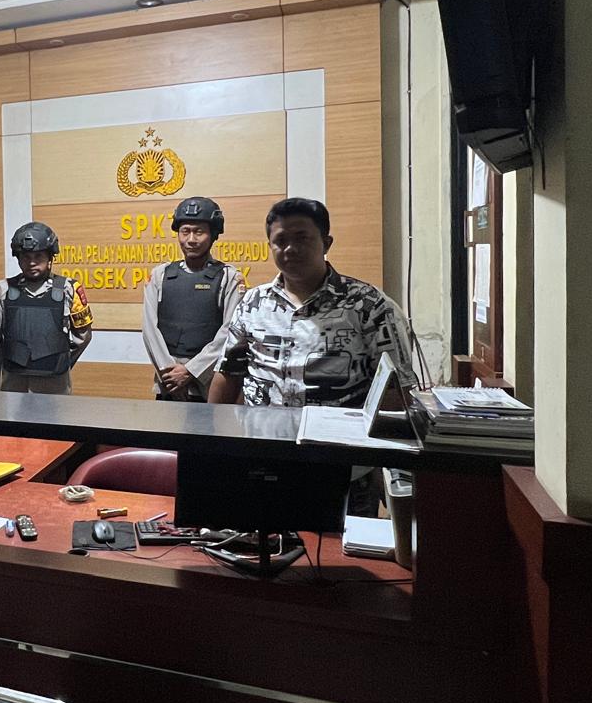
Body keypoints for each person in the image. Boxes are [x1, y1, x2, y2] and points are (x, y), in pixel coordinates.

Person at [207, 198, 416, 513]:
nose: (290, 248)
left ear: (326, 243)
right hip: (264, 462)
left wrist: (381, 460)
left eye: (302, 238)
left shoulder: (369, 305)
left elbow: (396, 391)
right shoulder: (253, 303)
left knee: (340, 546)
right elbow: (228, 375)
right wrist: (211, 446)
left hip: (343, 467)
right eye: (280, 241)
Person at [142, 197, 243, 400]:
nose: (191, 239)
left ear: (213, 234)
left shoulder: (229, 277)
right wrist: (169, 374)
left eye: (199, 232)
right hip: (168, 383)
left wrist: (190, 372)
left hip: (210, 383)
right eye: (185, 231)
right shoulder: (160, 274)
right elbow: (149, 328)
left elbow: (230, 331)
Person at [0, 221, 93, 394]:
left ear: (50, 257)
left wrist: (60, 360)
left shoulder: (69, 290)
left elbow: (83, 336)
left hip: (55, 388)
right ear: (18, 258)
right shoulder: (2, 290)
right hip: (14, 387)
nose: (32, 262)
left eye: (38, 256)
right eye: (26, 256)